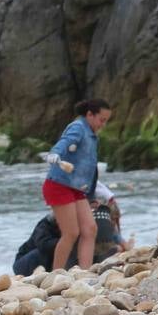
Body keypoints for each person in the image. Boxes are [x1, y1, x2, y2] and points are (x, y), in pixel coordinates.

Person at [42, 99, 112, 270]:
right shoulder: (78, 127)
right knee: (71, 232)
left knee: (90, 228)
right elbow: (65, 142)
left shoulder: (91, 133)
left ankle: (84, 272)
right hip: (59, 184)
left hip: (77, 188)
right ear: (89, 114)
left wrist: (92, 194)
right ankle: (55, 274)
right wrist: (55, 153)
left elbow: (90, 169)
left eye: (106, 121)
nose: (103, 124)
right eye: (101, 120)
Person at [12, 196, 121, 275]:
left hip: (58, 258)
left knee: (89, 248)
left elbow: (105, 243)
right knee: (42, 253)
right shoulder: (47, 223)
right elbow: (44, 245)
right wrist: (69, 241)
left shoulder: (88, 226)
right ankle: (51, 274)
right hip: (25, 262)